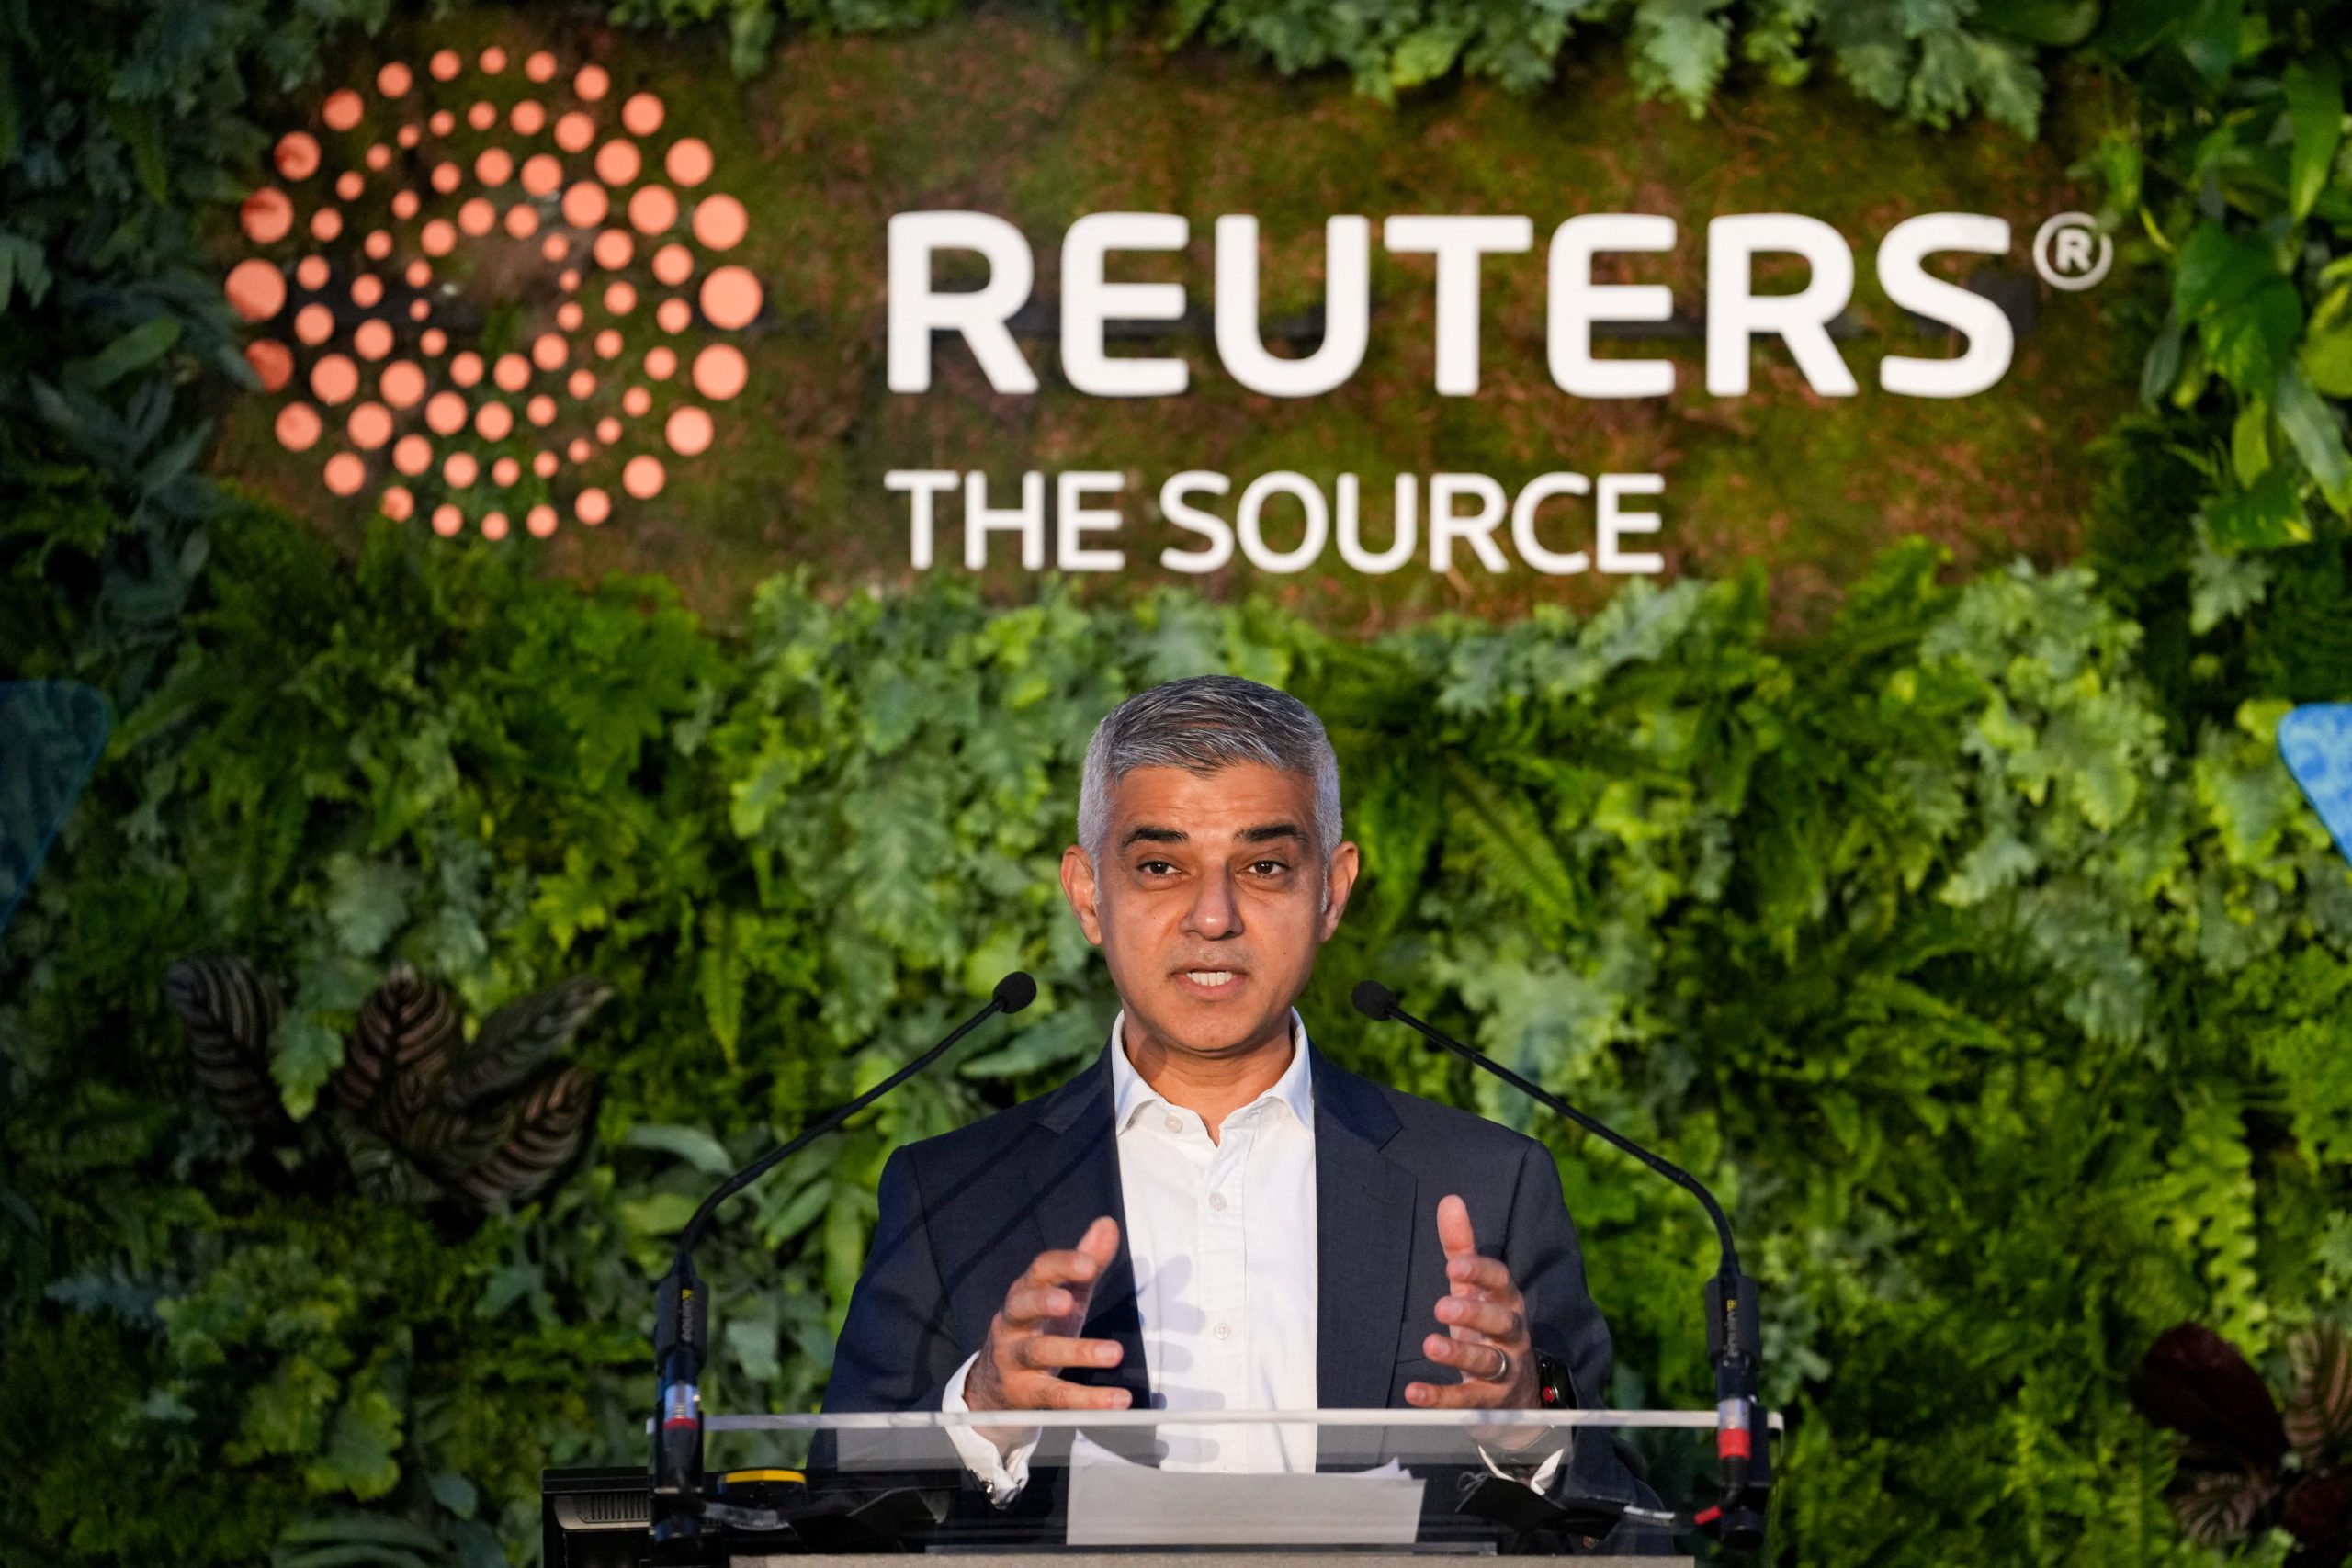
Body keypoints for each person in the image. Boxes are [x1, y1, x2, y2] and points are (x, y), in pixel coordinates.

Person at [824, 675, 1647, 1537]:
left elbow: (1627, 1522)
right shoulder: (954, 1193)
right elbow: (834, 1512)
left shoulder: (1486, 1184)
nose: (1212, 917)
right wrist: (981, 1408)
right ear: (1087, 894)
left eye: (1262, 867)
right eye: (1158, 866)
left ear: (1330, 889)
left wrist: (1529, 1433)